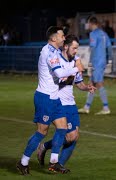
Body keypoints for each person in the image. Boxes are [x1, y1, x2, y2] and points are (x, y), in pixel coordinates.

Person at [16, 26, 84, 175]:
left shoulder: (55, 51)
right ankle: (23, 162)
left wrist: (77, 60)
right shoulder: (49, 53)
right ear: (54, 38)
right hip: (44, 98)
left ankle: (54, 163)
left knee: (62, 128)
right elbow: (59, 73)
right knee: (42, 132)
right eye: (61, 36)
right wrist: (76, 69)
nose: (64, 38)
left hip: (55, 98)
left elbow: (70, 53)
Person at [37, 34, 96, 171]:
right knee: (71, 135)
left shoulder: (75, 61)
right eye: (74, 48)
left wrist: (86, 87)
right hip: (59, 103)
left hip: (71, 104)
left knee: (74, 136)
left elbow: (79, 83)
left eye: (77, 49)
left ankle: (57, 162)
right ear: (66, 46)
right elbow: (59, 82)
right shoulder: (56, 60)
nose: (76, 51)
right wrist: (72, 71)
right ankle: (50, 156)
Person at [78, 16, 112, 115]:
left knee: (99, 83)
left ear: (92, 23)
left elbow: (92, 49)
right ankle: (87, 107)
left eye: (88, 23)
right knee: (92, 83)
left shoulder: (93, 34)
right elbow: (109, 47)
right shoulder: (104, 34)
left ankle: (106, 108)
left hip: (96, 62)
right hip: (102, 62)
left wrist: (90, 63)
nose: (87, 25)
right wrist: (110, 61)